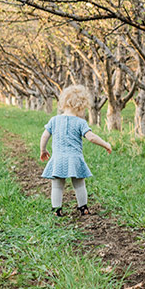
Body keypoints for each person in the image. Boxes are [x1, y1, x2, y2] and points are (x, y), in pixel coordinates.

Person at [40, 85, 113, 215]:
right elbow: (91, 137)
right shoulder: (80, 122)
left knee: (57, 186)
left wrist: (43, 149)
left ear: (63, 102)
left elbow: (45, 135)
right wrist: (105, 144)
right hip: (75, 159)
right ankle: (83, 207)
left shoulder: (54, 120)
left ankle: (57, 210)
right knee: (79, 185)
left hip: (58, 159)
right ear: (81, 106)